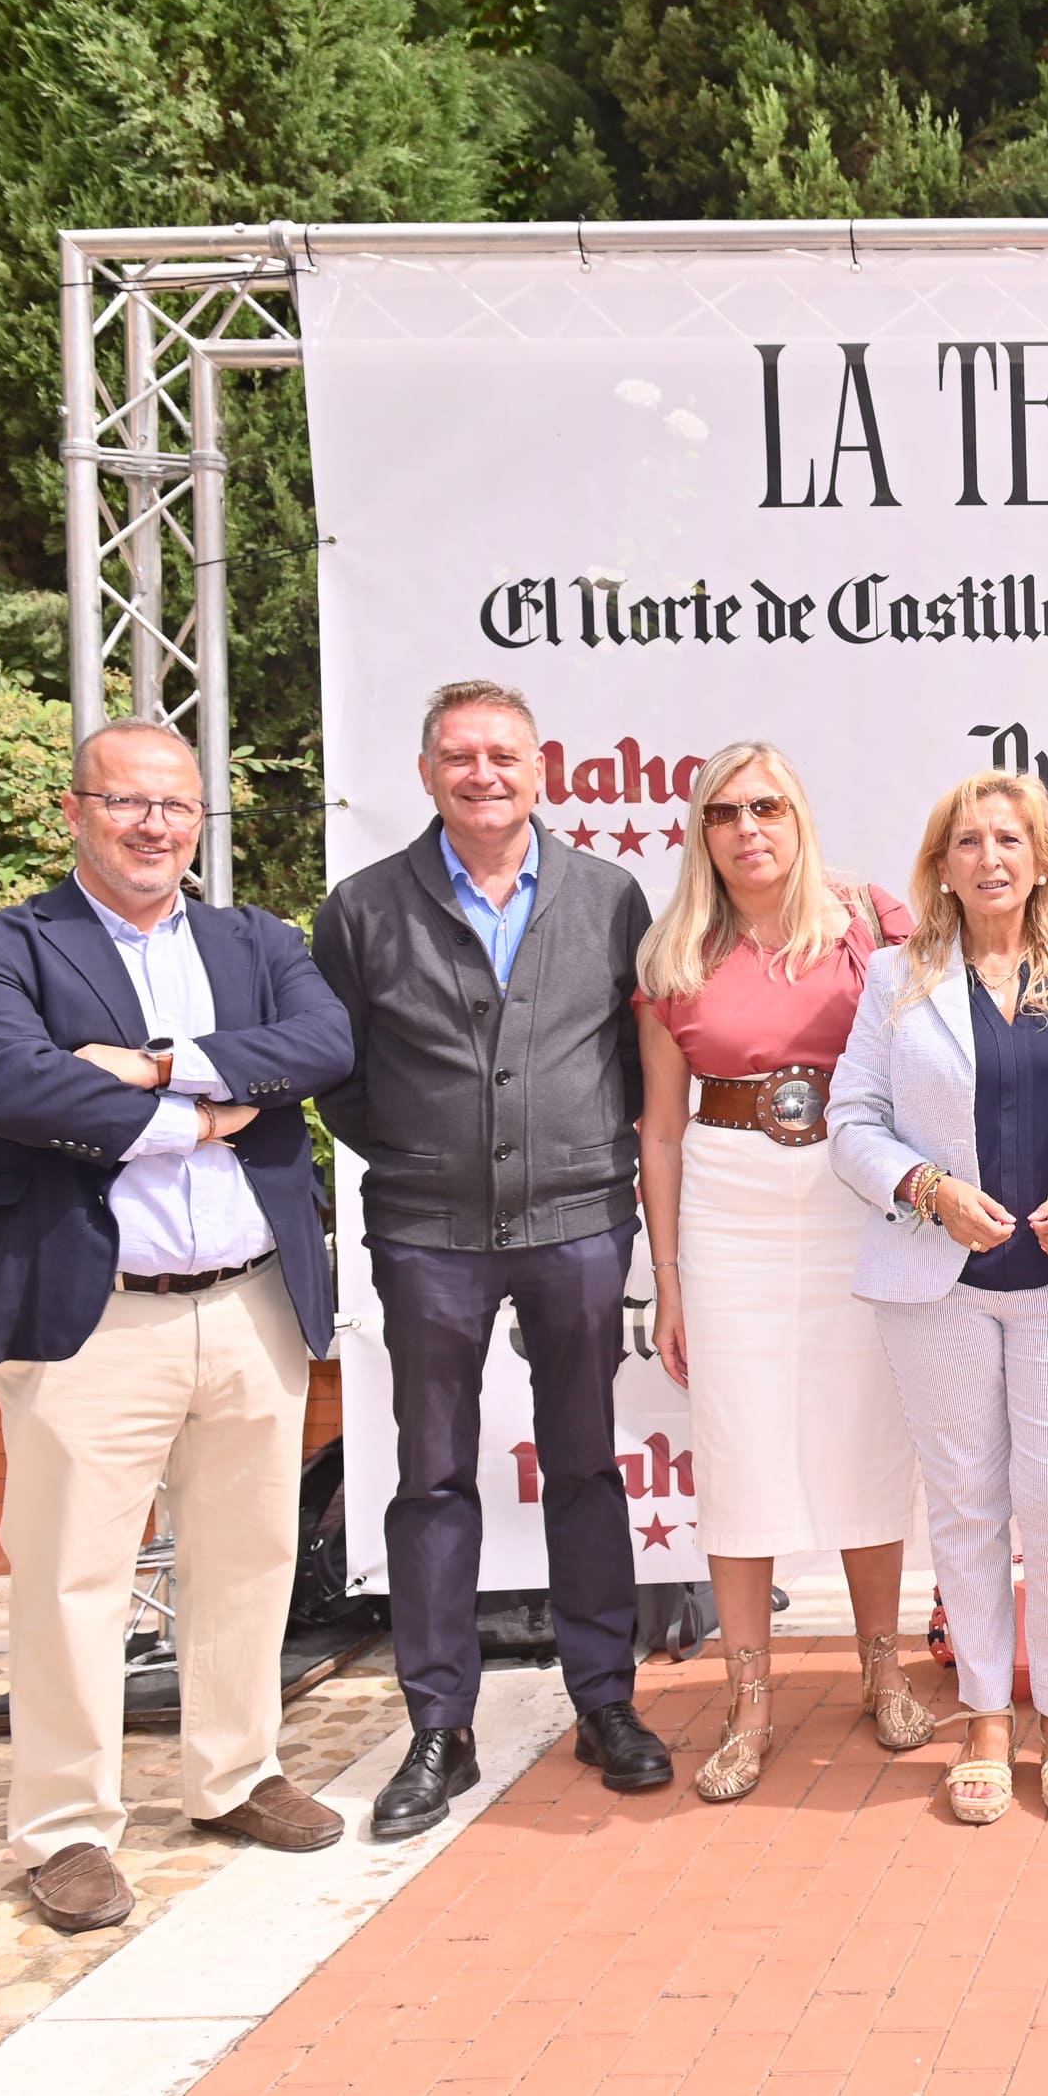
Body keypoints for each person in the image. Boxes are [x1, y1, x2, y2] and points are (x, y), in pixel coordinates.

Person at [0, 719, 356, 1932]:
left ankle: (235, 1775)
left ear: (200, 821)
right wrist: (214, 1113)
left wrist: (156, 1070)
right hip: (88, 1317)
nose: (155, 825)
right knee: (72, 1579)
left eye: (176, 805)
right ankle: (65, 1828)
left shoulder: (256, 940)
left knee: (250, 1556)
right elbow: (12, 1083)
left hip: (251, 1299)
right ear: (77, 811)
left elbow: (322, 1045)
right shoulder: (1, 946)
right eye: (128, 803)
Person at [315, 679, 669, 1836]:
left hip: (576, 1222)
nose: (482, 774)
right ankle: (437, 1728)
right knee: (430, 1478)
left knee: (583, 1465)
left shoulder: (610, 897)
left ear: (538, 768)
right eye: (459, 756)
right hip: (427, 1233)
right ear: (426, 773)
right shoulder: (363, 908)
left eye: (503, 755)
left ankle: (604, 1702)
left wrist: (565, 1152)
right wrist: (429, 1154)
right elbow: (341, 1075)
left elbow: (632, 1060)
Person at [830, 772, 1048, 1824]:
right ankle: (983, 1710)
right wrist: (926, 1190)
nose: (988, 858)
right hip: (940, 1284)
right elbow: (851, 1119)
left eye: (1007, 839)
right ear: (939, 866)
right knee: (970, 1503)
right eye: (965, 841)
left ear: (1039, 859)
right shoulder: (895, 977)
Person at [634, 743, 930, 1801]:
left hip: (851, 1195)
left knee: (864, 1433)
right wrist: (667, 1279)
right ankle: (747, 1701)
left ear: (799, 815)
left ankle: (883, 1668)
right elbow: (659, 1133)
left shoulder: (871, 919)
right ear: (701, 832)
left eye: (766, 805)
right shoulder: (672, 950)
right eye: (723, 812)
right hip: (728, 1202)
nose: (747, 827)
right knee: (743, 1446)